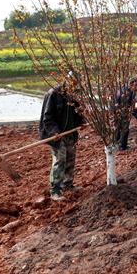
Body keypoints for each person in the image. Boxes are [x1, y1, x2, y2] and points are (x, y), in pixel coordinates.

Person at [39, 71, 86, 201]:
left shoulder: (76, 93)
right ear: (67, 81)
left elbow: (79, 111)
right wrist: (54, 131)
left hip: (70, 132)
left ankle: (68, 184)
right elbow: (47, 117)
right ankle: (55, 190)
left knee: (71, 157)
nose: (75, 86)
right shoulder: (54, 94)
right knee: (60, 160)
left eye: (77, 84)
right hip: (56, 134)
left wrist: (82, 122)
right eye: (73, 83)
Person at [114, 78, 137, 151]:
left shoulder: (124, 88)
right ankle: (122, 146)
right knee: (124, 129)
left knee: (119, 128)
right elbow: (130, 107)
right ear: (132, 84)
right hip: (122, 112)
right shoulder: (128, 92)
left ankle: (117, 144)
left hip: (118, 111)